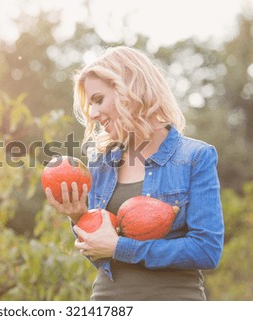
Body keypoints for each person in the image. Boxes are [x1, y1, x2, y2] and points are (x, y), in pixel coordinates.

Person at [45, 46, 224, 300]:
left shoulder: (195, 157)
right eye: (90, 105)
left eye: (98, 99)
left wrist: (121, 247)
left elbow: (207, 251)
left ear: (129, 90)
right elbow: (101, 257)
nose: (93, 114)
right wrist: (77, 216)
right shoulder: (101, 164)